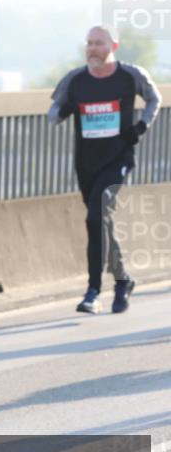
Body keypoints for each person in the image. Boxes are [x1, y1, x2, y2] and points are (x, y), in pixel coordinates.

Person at [48, 24, 162, 314]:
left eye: (99, 43)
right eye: (89, 43)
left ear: (114, 46)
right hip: (87, 162)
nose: (92, 48)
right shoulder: (75, 80)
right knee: (100, 221)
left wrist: (141, 126)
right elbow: (52, 115)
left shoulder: (130, 75)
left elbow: (155, 99)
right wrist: (67, 108)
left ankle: (93, 291)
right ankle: (123, 279)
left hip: (118, 158)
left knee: (97, 215)